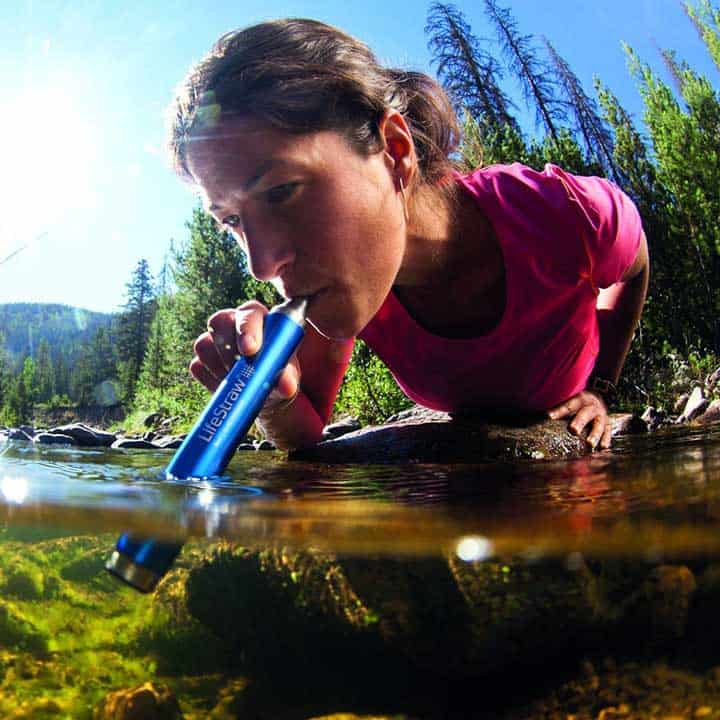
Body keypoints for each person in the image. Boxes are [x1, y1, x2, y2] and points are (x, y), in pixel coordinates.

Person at [167, 18, 649, 453]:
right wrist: (274, 398)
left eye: (280, 191)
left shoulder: (560, 212)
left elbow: (636, 264)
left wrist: (602, 388)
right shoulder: (347, 285)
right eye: (231, 220)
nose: (263, 264)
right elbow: (307, 429)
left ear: (395, 152)